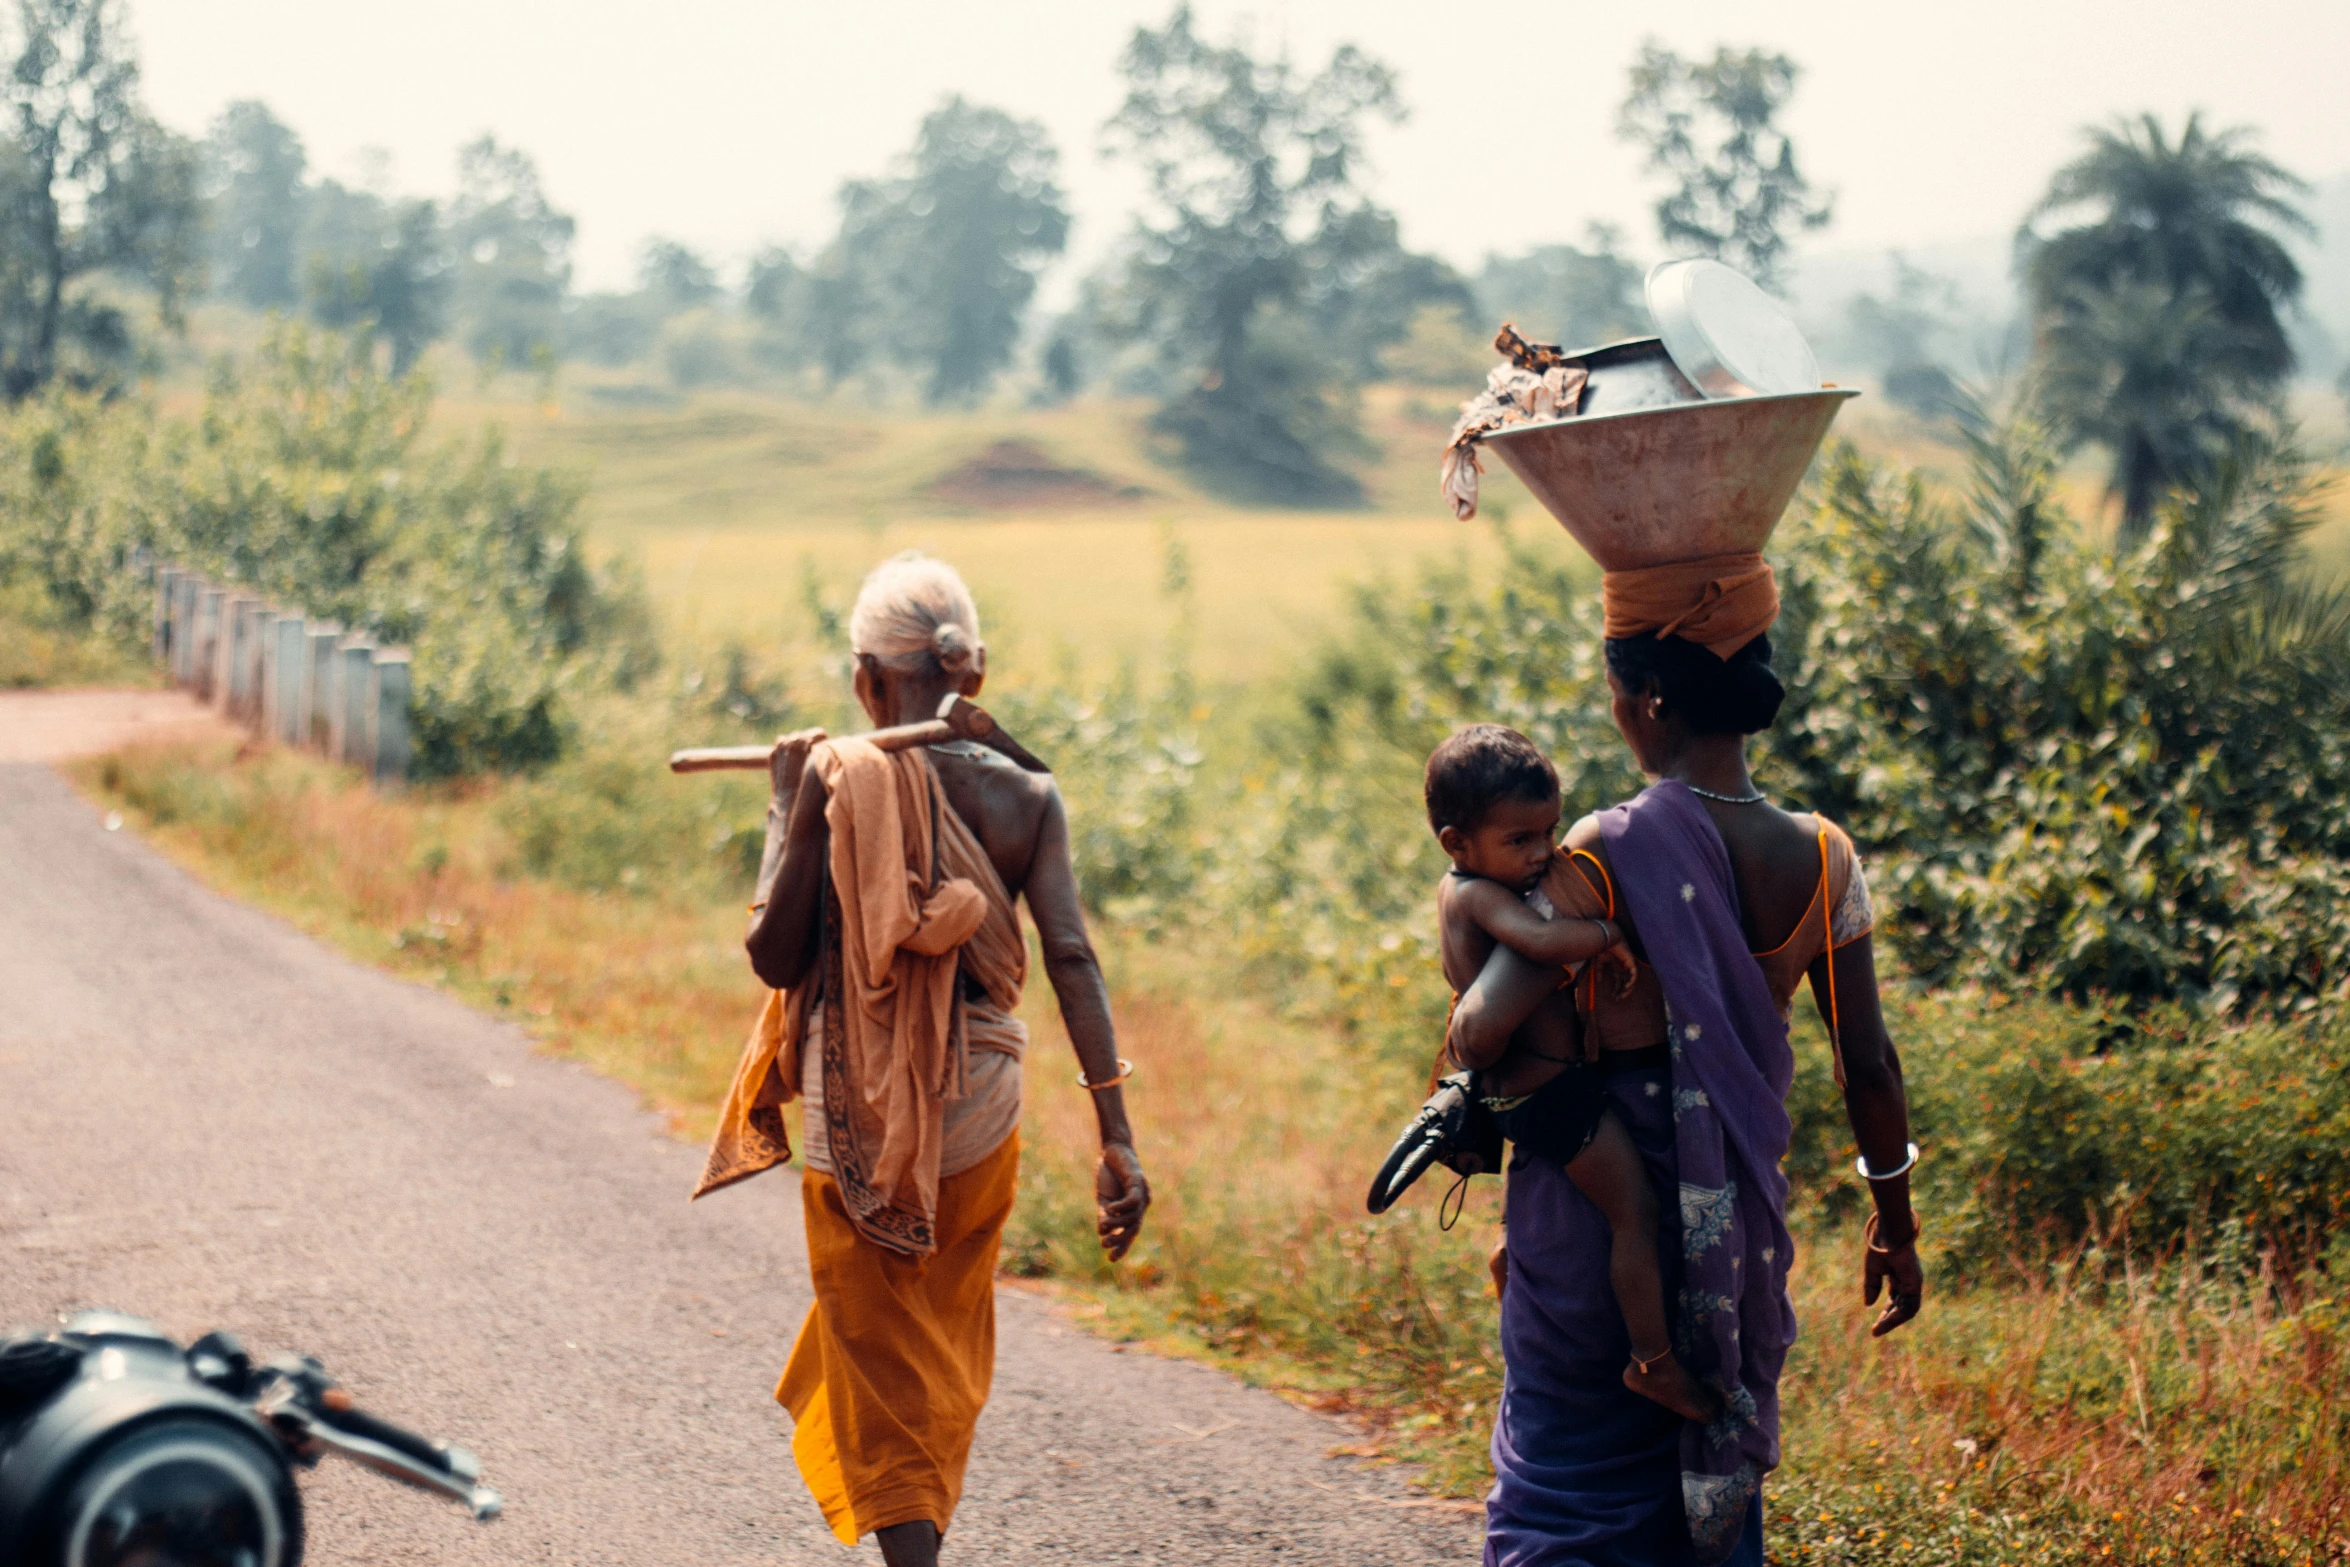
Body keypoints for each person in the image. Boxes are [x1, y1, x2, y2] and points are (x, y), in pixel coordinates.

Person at [1448, 557, 1924, 1567]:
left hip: (1588, 1212)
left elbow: (1487, 1027)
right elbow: (1868, 1065)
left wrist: (1473, 1012)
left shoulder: (1606, 845)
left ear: (1646, 700)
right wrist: (1895, 1224)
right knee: (1690, 1507)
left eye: (1618, 690)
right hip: (1728, 1225)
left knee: (1566, 1487)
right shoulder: (1826, 856)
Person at [695, 552, 1150, 1567]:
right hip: (983, 1101)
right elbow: (1072, 956)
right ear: (971, 674)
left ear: (866, 678)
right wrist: (1117, 1138)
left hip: (858, 1107)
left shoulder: (837, 778)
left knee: (879, 1350)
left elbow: (772, 952)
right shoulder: (1028, 793)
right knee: (935, 1341)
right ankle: (916, 1532)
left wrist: (785, 803)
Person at [1425, 724, 1715, 1425]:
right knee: (1634, 1210)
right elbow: (1544, 940)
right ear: (1457, 843)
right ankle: (1654, 1361)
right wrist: (1612, 934)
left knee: (1579, 1194)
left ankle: (1507, 1253)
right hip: (1547, 1091)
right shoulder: (1474, 893)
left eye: (1549, 833)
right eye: (1518, 840)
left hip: (1527, 1089)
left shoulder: (1470, 883)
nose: (1542, 855)